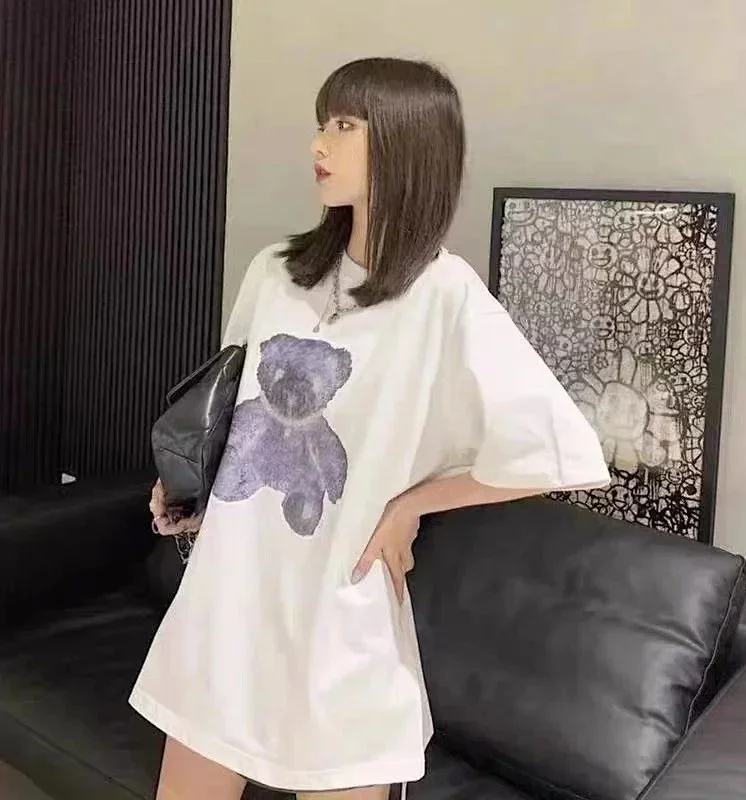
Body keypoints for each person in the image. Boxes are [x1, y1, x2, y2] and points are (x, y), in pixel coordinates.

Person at [132, 57, 610, 800]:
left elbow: (558, 450)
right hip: (229, 602)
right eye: (322, 123)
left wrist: (412, 504)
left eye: (345, 125)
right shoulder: (276, 273)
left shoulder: (443, 297)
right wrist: (189, 486)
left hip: (338, 615)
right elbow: (228, 413)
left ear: (406, 142)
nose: (319, 144)